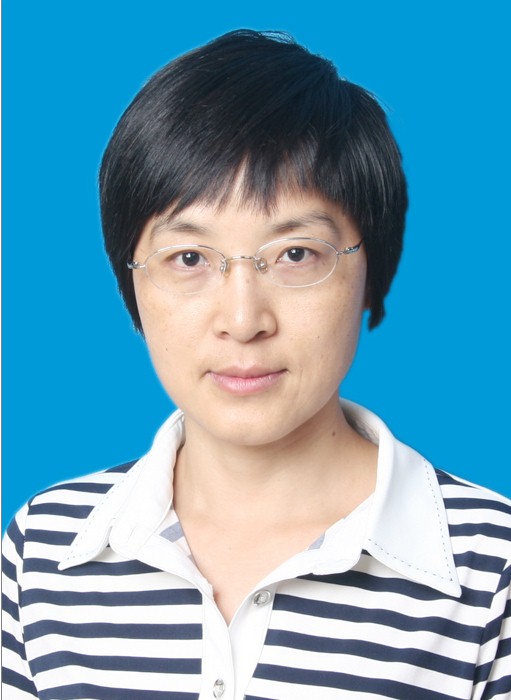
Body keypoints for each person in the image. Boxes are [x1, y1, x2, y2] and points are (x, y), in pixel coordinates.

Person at [2, 29, 510, 700]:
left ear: (372, 272)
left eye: (296, 254)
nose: (243, 321)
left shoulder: (490, 566)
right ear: (132, 283)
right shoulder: (45, 549)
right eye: (189, 258)